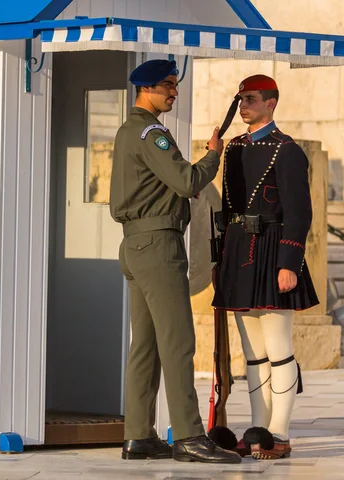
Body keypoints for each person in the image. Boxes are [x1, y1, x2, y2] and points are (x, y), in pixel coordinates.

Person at [110, 59, 240, 464]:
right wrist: (213, 156)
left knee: (145, 346)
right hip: (158, 246)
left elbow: (162, 185)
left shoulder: (129, 130)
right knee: (179, 341)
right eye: (168, 85)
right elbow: (185, 180)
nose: (174, 92)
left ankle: (139, 436)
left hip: (135, 244)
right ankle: (188, 435)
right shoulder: (151, 132)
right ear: (146, 88)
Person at [211, 74, 319, 460]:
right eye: (241, 99)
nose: (243, 106)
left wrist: (289, 262)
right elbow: (226, 208)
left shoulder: (286, 150)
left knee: (279, 349)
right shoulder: (234, 147)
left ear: (271, 103)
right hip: (240, 253)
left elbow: (299, 212)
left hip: (273, 252)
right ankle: (257, 431)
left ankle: (280, 434)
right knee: (253, 353)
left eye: (252, 99)